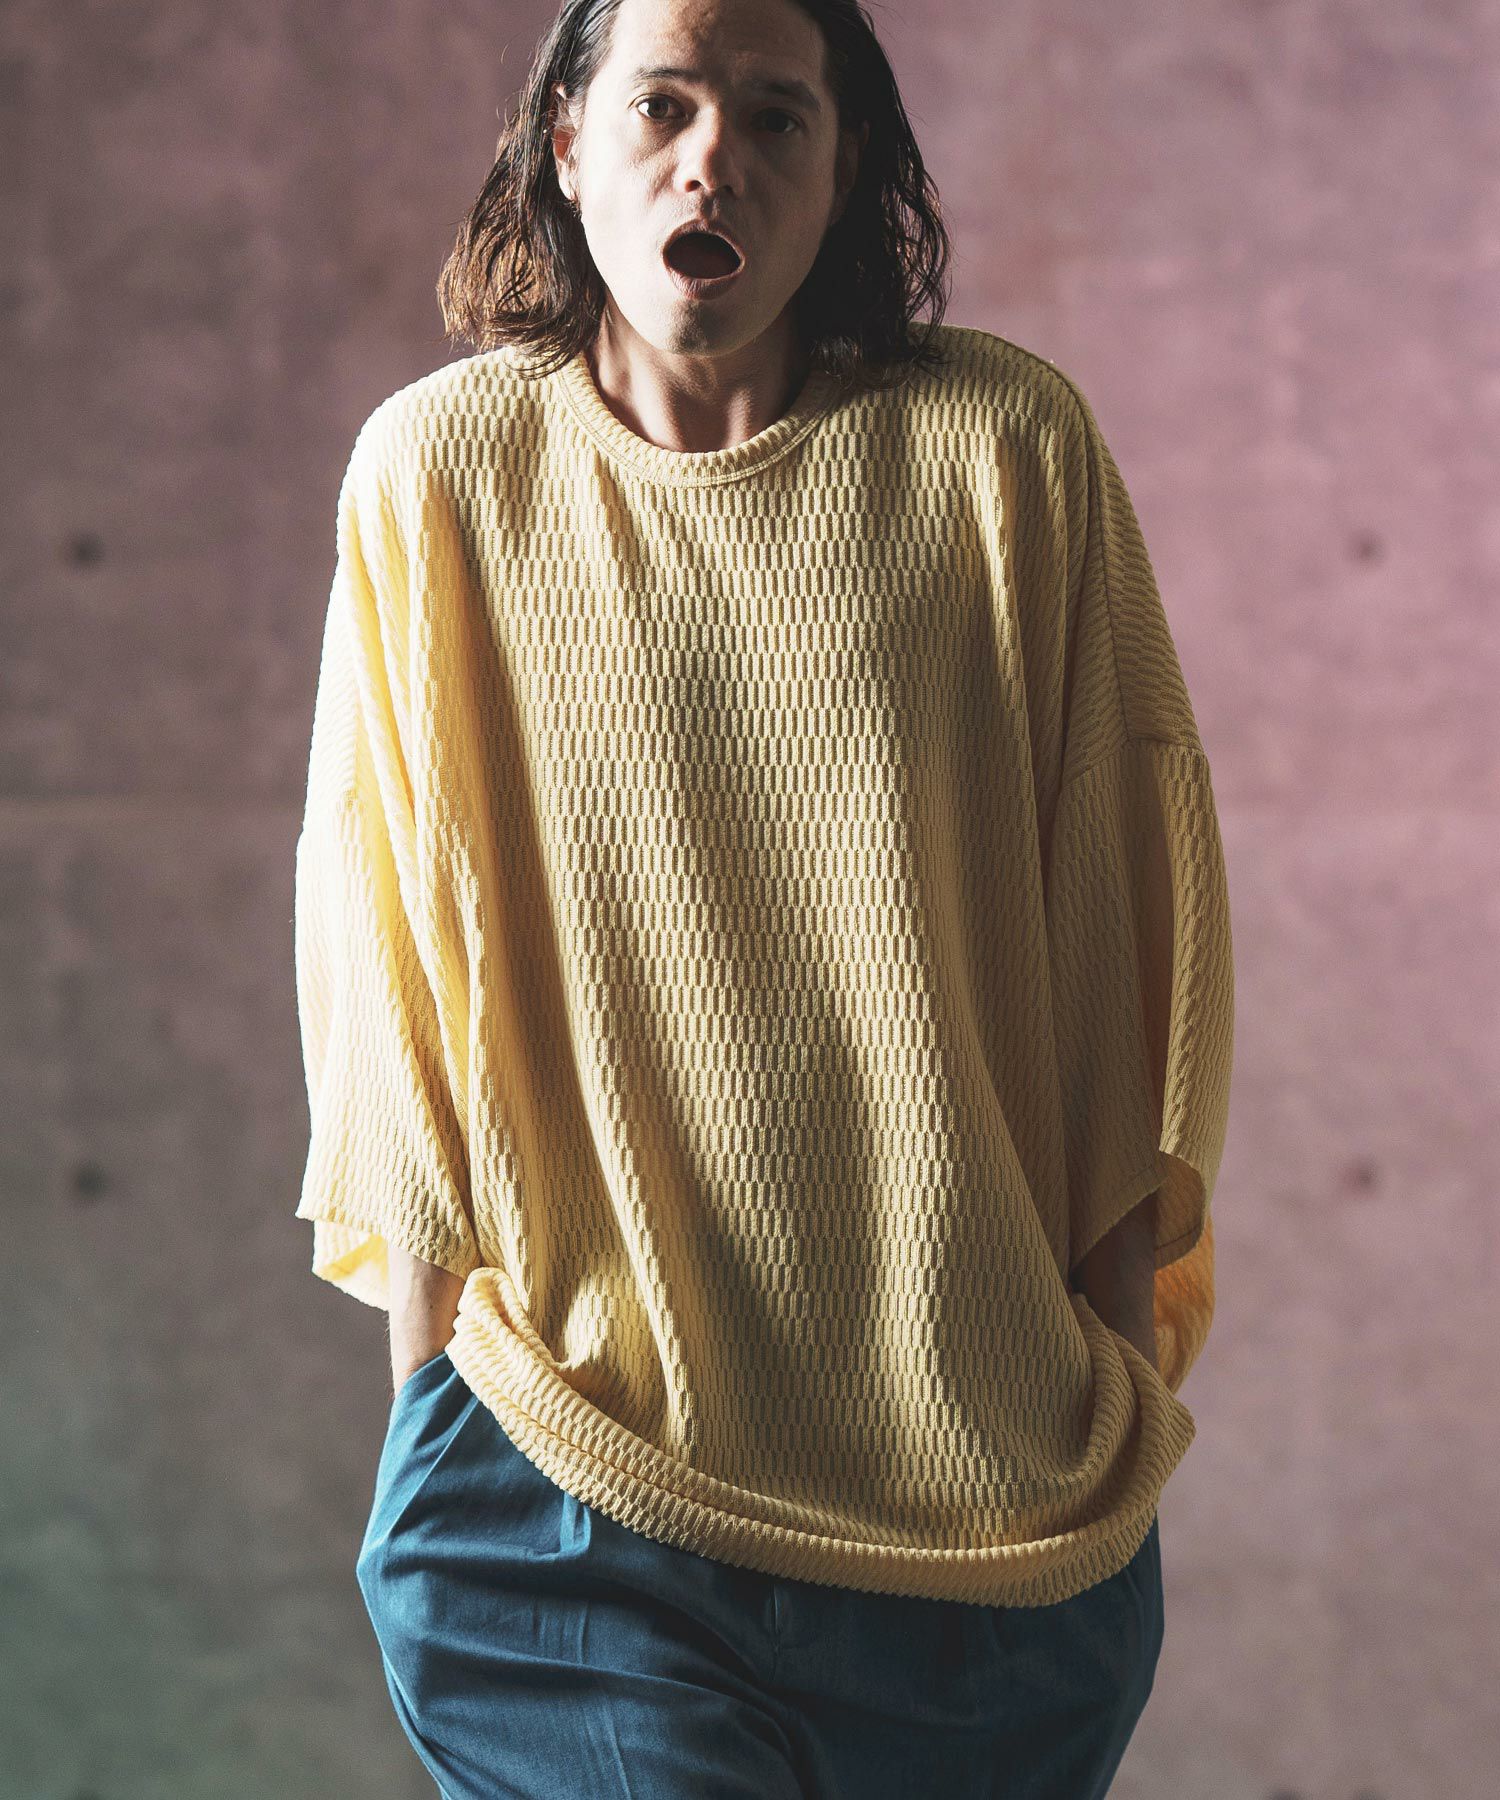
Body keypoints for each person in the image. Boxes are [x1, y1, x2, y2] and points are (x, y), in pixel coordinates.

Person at [290, 0, 1235, 1792]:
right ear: (567, 148)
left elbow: (1123, 921)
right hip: (569, 1498)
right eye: (661, 105)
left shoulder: (1003, 450)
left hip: (988, 1536)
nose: (711, 155)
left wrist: (1106, 1405)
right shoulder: (440, 473)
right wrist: (432, 1410)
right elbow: (387, 952)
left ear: (846, 166)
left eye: (776, 116)